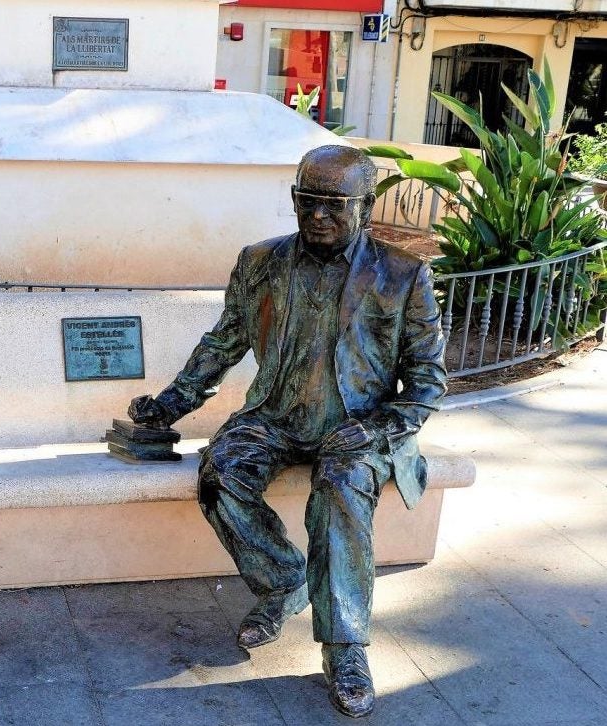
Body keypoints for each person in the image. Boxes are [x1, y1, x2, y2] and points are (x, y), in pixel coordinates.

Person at [128, 145, 447, 718]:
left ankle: (346, 646)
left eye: (334, 204)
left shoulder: (403, 274)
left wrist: (377, 429)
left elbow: (427, 382)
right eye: (307, 201)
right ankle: (283, 580)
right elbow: (222, 343)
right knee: (220, 473)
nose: (318, 215)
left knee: (341, 488)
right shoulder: (259, 263)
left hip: (358, 427)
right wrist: (170, 404)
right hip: (275, 418)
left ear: (366, 205)